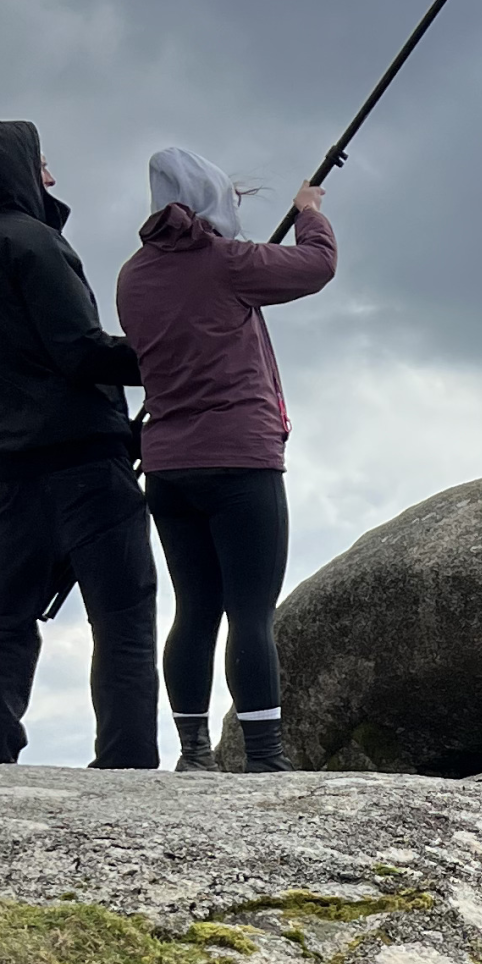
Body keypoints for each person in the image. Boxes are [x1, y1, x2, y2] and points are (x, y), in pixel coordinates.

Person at [0, 120, 159, 768]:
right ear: (17, 168)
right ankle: (127, 764)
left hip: (7, 468)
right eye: (41, 164)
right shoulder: (34, 244)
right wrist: (172, 354)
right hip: (86, 463)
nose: (52, 176)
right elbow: (80, 351)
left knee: (7, 620)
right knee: (122, 617)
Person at [115, 149, 336, 773]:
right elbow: (317, 267)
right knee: (250, 610)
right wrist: (307, 214)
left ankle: (193, 753)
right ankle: (264, 756)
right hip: (241, 457)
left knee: (195, 608)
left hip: (168, 466)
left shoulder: (132, 275)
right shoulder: (229, 262)